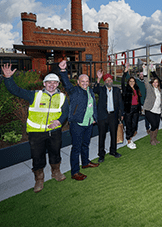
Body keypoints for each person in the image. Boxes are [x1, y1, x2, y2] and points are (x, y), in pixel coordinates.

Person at [2, 63, 69, 192]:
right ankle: (39, 179)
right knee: (37, 156)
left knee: (55, 153)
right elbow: (16, 91)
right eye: (49, 82)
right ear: (44, 84)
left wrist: (59, 122)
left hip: (54, 132)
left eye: (55, 83)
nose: (52, 85)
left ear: (58, 84)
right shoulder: (35, 95)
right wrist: (8, 78)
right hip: (36, 133)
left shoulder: (62, 97)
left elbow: (65, 112)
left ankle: (56, 172)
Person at [58, 60, 99, 181]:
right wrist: (63, 71)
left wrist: (94, 118)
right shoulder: (74, 91)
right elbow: (66, 83)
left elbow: (93, 106)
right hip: (77, 124)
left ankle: (85, 162)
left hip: (89, 123)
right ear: (78, 82)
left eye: (87, 81)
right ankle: (75, 172)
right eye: (82, 81)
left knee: (85, 144)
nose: (85, 83)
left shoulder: (90, 91)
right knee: (76, 148)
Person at [94, 70, 124, 162]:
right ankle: (101, 154)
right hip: (102, 116)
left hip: (113, 116)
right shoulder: (101, 90)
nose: (109, 81)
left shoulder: (117, 90)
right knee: (102, 136)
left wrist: (121, 114)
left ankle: (113, 151)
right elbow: (95, 90)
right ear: (104, 82)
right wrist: (98, 79)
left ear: (112, 81)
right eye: (106, 80)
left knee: (113, 134)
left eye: (110, 80)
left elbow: (120, 103)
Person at [122, 64, 142, 149]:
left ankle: (130, 137)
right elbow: (122, 81)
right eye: (130, 81)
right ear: (128, 82)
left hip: (136, 109)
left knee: (134, 125)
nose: (132, 83)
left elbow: (138, 100)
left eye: (133, 81)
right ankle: (129, 140)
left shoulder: (137, 89)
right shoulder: (126, 89)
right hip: (128, 109)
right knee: (129, 125)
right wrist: (125, 72)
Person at [142, 64, 162, 145]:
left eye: (156, 82)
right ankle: (152, 139)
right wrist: (145, 70)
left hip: (158, 110)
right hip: (150, 110)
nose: (155, 83)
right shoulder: (149, 88)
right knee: (153, 125)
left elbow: (160, 100)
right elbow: (146, 81)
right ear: (152, 83)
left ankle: (154, 139)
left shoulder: (159, 90)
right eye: (154, 82)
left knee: (157, 126)